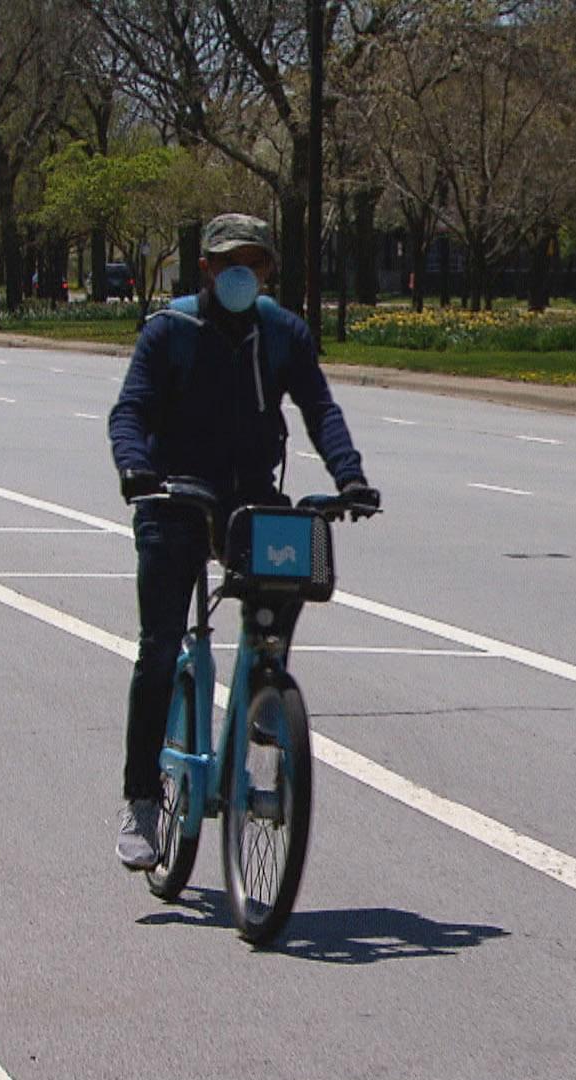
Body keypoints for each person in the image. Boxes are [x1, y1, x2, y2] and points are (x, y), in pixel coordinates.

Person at [106, 213, 378, 870]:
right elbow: (132, 411)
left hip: (248, 498)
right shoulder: (170, 331)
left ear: (266, 272)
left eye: (253, 264)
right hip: (171, 495)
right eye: (229, 262)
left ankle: (264, 688)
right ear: (204, 267)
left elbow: (320, 410)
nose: (240, 274)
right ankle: (142, 800)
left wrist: (350, 476)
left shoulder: (282, 334)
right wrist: (135, 467)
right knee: (160, 646)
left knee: (294, 562)